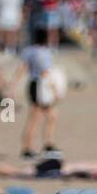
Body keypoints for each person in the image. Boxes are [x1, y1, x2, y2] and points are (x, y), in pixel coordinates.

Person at [15, 28, 60, 158]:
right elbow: (45, 72)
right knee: (41, 117)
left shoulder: (29, 51)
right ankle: (38, 147)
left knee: (44, 116)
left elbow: (22, 68)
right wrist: (55, 90)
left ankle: (42, 145)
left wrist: (13, 85)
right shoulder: (44, 52)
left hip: (32, 84)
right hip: (42, 86)